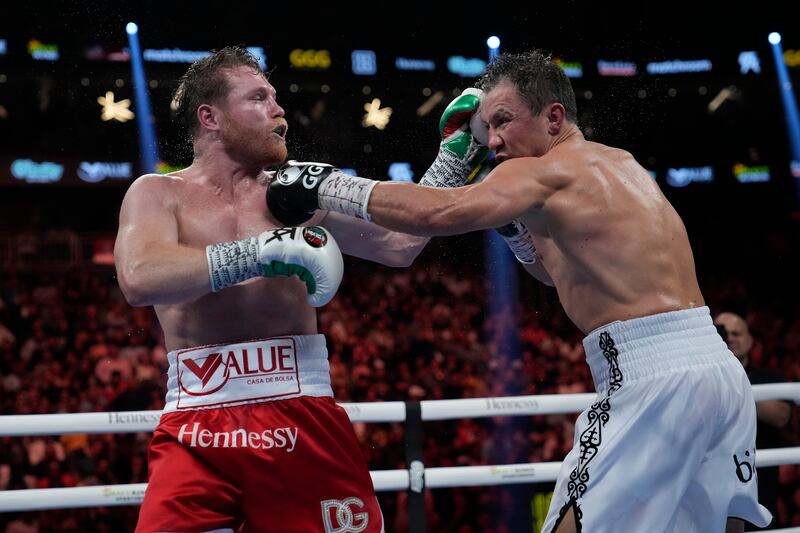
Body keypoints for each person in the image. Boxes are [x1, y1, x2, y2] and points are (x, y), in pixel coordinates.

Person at [266, 50, 774, 532]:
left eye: (503, 120)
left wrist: (325, 184)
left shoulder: (546, 170)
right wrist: (514, 230)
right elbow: (556, 274)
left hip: (651, 377)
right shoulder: (618, 164)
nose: (492, 141)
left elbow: (436, 214)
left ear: (554, 117)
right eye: (489, 127)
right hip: (718, 373)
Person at [115, 46, 432, 533]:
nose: (279, 108)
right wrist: (260, 251)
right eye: (259, 97)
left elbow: (400, 244)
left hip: (302, 409)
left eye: (276, 97)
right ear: (211, 117)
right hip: (197, 423)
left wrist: (455, 154)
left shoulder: (298, 194)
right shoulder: (158, 193)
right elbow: (139, 277)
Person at [715, 311, 792, 529]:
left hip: (760, 488)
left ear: (750, 341)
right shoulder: (699, 380)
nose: (729, 338)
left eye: (736, 333)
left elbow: (781, 416)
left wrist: (731, 392)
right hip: (715, 485)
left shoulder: (770, 378)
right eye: (722, 333)